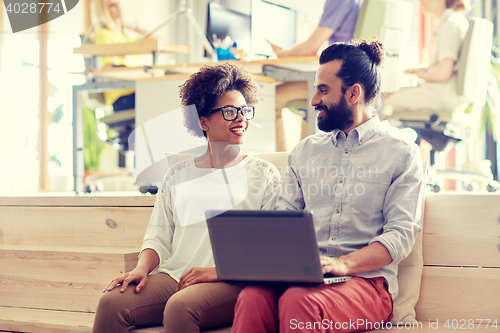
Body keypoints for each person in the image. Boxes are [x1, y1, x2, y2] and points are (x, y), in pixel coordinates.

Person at [231, 40, 423, 333]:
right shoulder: (304, 152)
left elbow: (400, 235)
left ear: (354, 93)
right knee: (252, 297)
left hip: (367, 284)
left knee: (299, 302)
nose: (313, 101)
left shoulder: (401, 153)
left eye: (323, 90)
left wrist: (343, 265)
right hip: (304, 279)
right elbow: (285, 222)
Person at [92, 63, 282, 333]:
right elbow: (157, 236)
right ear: (203, 121)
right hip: (176, 275)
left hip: (232, 280)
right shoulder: (178, 174)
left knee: (180, 306)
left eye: (244, 110)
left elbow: (271, 248)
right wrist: (142, 268)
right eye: (229, 111)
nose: (241, 118)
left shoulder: (264, 175)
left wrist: (216, 271)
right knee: (112, 303)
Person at [268, 0, 364, 151]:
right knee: (308, 99)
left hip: (341, 84)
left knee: (270, 97)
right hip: (355, 82)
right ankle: (301, 160)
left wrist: (281, 54)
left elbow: (310, 48)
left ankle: (281, 164)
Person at [384, 0, 471, 116]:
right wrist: (416, 71)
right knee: (391, 93)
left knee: (382, 102)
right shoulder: (455, 21)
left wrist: (422, 75)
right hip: (444, 92)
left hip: (442, 94)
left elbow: (444, 71)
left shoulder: (450, 24)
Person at [89, 0, 149, 111]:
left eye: (117, 2)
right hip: (122, 96)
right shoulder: (102, 34)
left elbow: (157, 40)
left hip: (137, 90)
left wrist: (131, 26)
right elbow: (109, 67)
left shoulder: (124, 36)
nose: (118, 6)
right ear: (102, 11)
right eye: (112, 5)